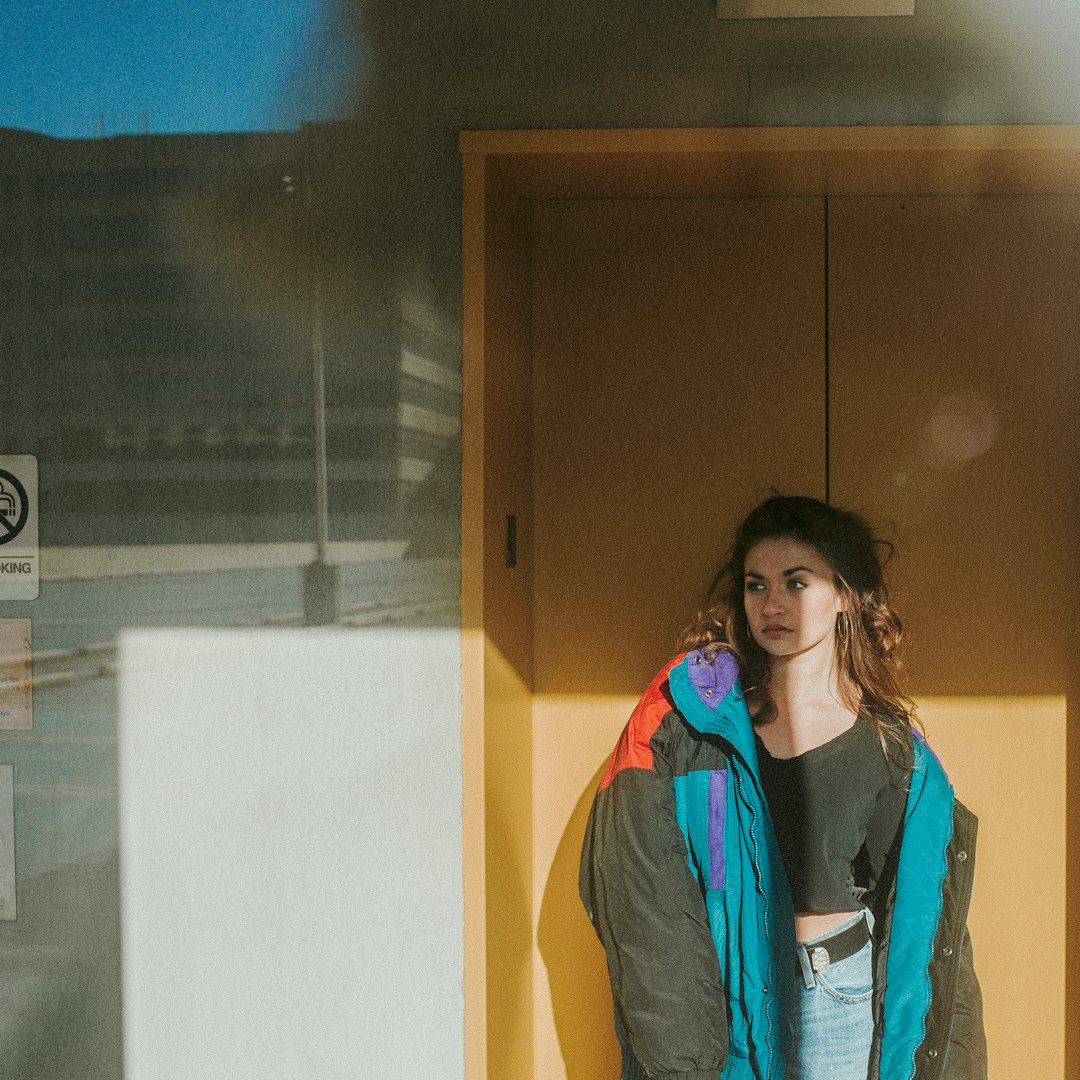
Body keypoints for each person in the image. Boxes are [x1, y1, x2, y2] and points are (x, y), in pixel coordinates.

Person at [579, 495, 986, 1080]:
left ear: (844, 594)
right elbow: (637, 880)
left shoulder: (889, 746)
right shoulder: (697, 722)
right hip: (725, 994)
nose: (771, 604)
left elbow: (919, 917)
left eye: (797, 583)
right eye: (755, 584)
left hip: (840, 1000)